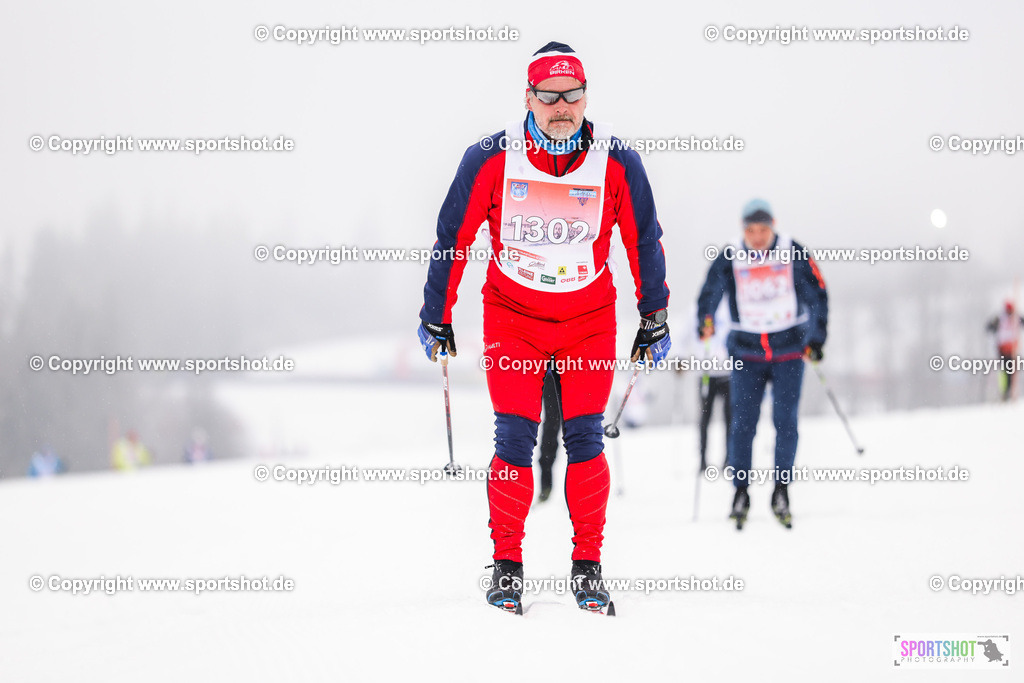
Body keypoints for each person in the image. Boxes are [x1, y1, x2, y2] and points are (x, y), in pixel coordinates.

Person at [417, 42, 671, 612]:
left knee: (583, 439)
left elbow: (643, 238)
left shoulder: (618, 160)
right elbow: (452, 237)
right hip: (514, 319)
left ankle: (588, 566)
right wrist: (437, 311)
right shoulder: (491, 155)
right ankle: (507, 566)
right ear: (528, 97)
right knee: (514, 438)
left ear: (586, 97)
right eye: (549, 95)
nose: (562, 107)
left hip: (588, 321)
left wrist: (654, 312)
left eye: (572, 94)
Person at [697, 199, 828, 529]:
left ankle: (781, 490)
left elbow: (817, 293)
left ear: (774, 226)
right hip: (746, 352)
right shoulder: (729, 255)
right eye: (750, 231)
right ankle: (740, 492)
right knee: (743, 424)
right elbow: (709, 291)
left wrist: (816, 337)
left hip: (787, 350)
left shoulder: (792, 250)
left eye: (763, 230)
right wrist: (705, 319)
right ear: (743, 230)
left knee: (785, 422)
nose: (757, 238)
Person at [695, 299, 732, 471]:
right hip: (706, 374)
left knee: (730, 418)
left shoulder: (731, 305)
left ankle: (728, 459)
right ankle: (702, 459)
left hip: (728, 372)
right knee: (705, 418)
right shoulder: (698, 308)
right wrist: (679, 358)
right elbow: (686, 333)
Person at [985, 300, 1023, 401]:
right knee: (1004, 372)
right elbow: (989, 327)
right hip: (1002, 350)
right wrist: (993, 326)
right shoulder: (1000, 319)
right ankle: (1004, 391)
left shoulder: (1016, 318)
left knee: (1011, 372)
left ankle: (1010, 391)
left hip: (1013, 350)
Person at [537, 368, 562, 503]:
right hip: (549, 373)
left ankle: (580, 492)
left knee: (577, 433)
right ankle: (545, 486)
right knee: (551, 428)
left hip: (573, 368)